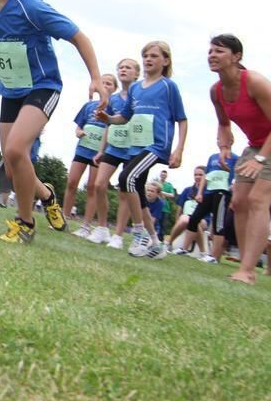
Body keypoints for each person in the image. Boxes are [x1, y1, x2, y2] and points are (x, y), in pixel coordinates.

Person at [0, 0, 107, 244]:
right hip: (11, 89)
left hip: (43, 87)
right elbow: (0, 49)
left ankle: (25, 224)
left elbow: (78, 36)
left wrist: (96, 77)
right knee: (12, 160)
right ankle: (47, 196)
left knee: (16, 149)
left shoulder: (31, 7)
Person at [208, 34, 271, 285]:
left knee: (258, 199)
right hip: (257, 145)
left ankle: (249, 271)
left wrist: (261, 159)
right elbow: (223, 124)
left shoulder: (254, 82)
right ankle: (244, 263)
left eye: (219, 51)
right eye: (210, 51)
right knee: (239, 202)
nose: (212, 55)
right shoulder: (216, 91)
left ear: (236, 56)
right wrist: (224, 147)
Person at [96, 42, 187, 259]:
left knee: (126, 176)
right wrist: (108, 119)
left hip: (156, 145)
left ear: (165, 61)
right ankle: (156, 243)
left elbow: (182, 119)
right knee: (136, 189)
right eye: (145, 55)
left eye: (154, 56)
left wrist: (179, 150)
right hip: (136, 145)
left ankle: (139, 233)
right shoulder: (136, 88)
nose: (148, 59)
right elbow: (124, 117)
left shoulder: (168, 86)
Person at [85, 59, 139, 247]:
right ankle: (101, 229)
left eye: (128, 67)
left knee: (125, 191)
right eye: (121, 67)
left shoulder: (140, 96)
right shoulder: (113, 99)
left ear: (136, 74)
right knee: (99, 185)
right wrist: (101, 150)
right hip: (113, 147)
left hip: (132, 148)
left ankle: (118, 236)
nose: (123, 70)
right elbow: (108, 124)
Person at [68, 74, 117, 239]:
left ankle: (86, 226)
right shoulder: (88, 106)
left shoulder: (115, 107)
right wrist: (79, 132)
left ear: (114, 88)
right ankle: (63, 218)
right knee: (71, 182)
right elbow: (78, 127)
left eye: (109, 83)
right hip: (83, 149)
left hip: (100, 153)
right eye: (102, 83)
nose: (105, 85)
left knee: (92, 187)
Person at [177, 150, 239, 263]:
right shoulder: (212, 157)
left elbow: (238, 176)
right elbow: (207, 175)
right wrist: (200, 193)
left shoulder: (235, 158)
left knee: (218, 225)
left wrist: (234, 194)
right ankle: (184, 249)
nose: (220, 142)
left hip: (222, 192)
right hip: (208, 192)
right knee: (194, 218)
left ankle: (213, 257)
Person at [167, 167, 207, 254]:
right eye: (195, 174)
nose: (197, 177)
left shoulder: (208, 192)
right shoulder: (187, 190)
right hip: (186, 217)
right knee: (186, 219)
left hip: (203, 220)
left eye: (200, 175)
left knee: (193, 220)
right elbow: (179, 209)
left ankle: (201, 251)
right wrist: (177, 222)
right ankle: (169, 244)